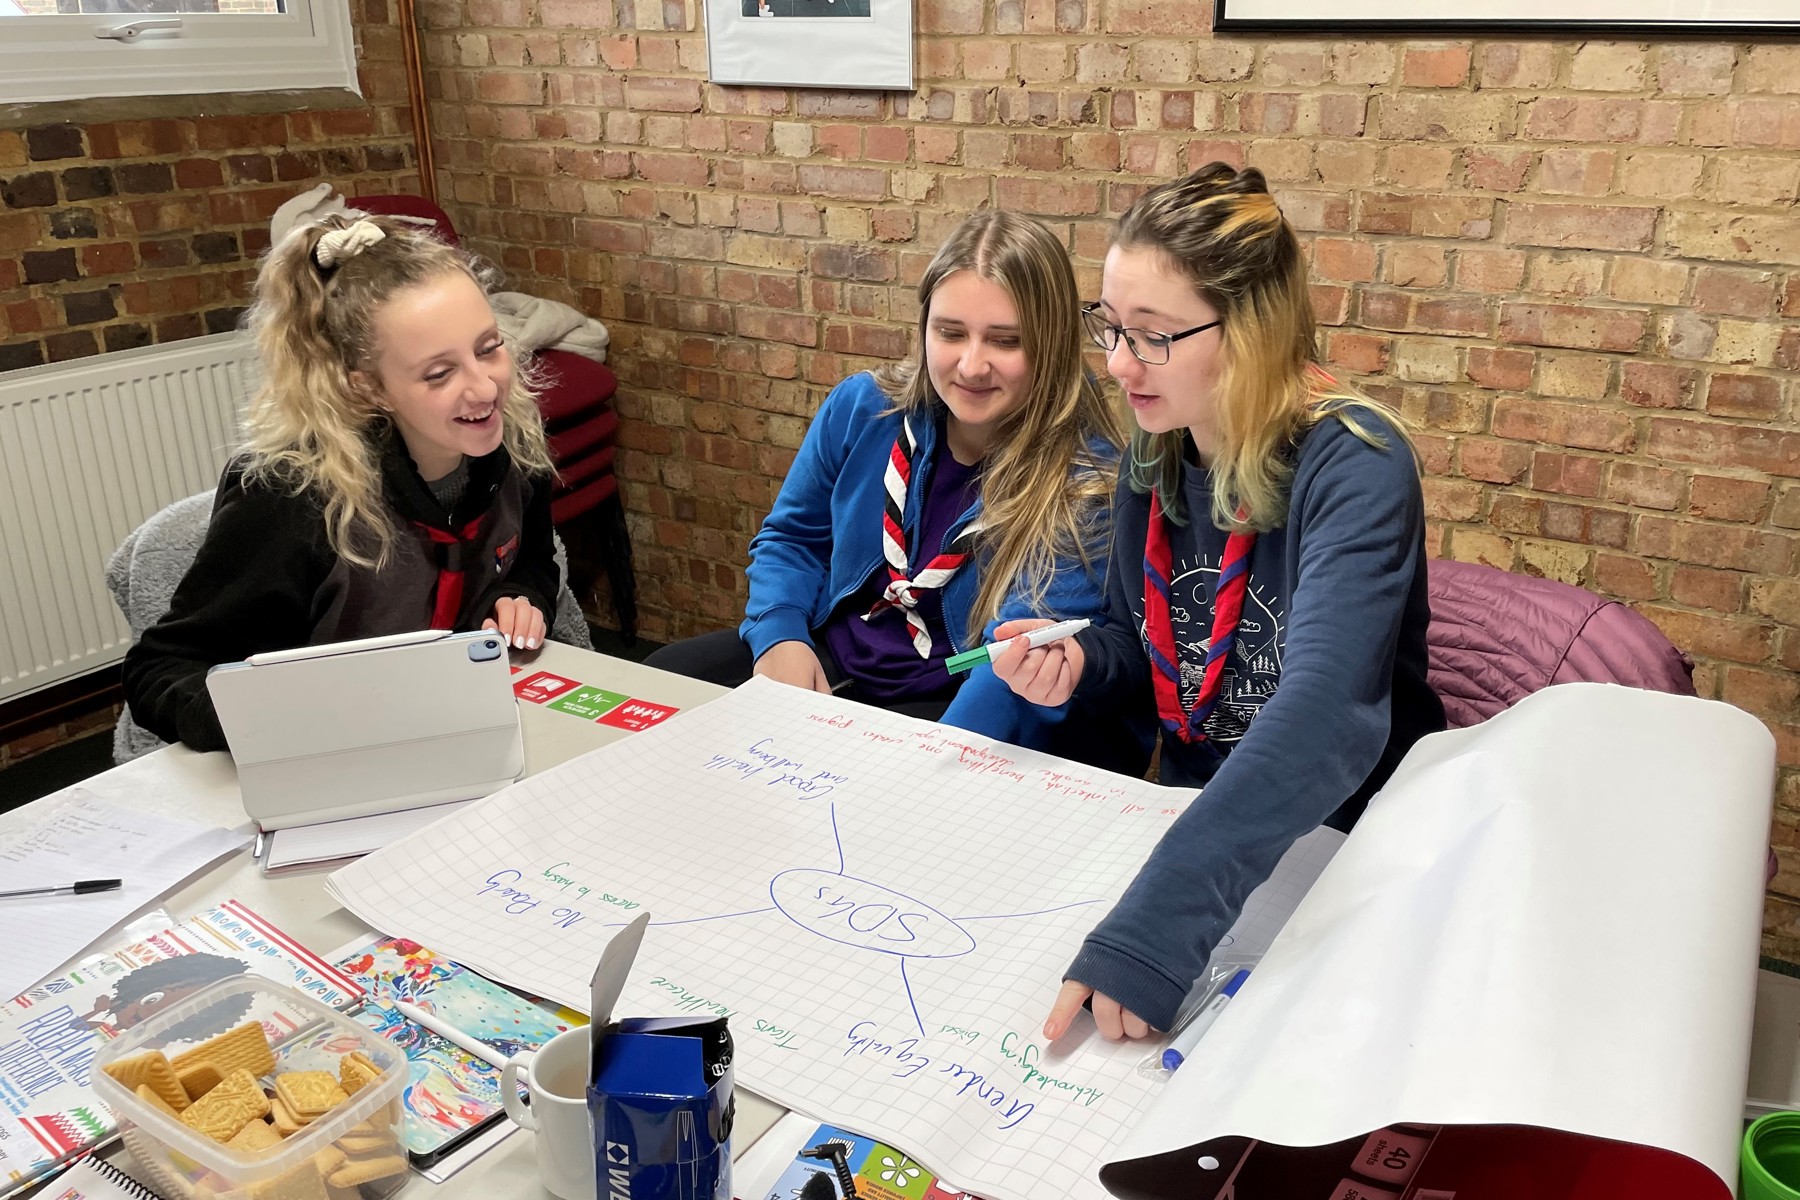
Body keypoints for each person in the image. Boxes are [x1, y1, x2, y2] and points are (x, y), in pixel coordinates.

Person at [990, 164, 1446, 1040]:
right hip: (1203, 818)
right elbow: (1140, 639)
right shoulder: (1156, 451)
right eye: (1112, 328)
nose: (1119, 365)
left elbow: (1326, 717)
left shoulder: (1355, 461)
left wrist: (1156, 931)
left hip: (1345, 839)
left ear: (1251, 331)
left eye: (1153, 336)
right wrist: (1083, 662)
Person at [646, 209, 1133, 763]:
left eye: (1006, 340)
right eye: (950, 333)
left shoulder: (1086, 485)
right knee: (665, 679)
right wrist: (780, 635)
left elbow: (1008, 668)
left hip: (953, 697)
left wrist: (921, 770)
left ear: (1051, 346)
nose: (972, 365)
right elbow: (791, 540)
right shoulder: (863, 407)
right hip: (833, 654)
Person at [123, 213, 560, 753]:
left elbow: (534, 560)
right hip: (329, 758)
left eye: (488, 347)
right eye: (438, 374)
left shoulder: (509, 441)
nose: (484, 387)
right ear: (369, 389)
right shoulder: (292, 497)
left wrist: (517, 594)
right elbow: (162, 669)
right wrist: (281, 724)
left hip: (453, 730)